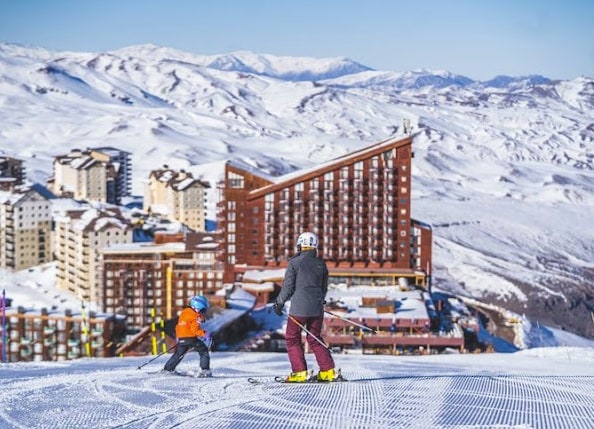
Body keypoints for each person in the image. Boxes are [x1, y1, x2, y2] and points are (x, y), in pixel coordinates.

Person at [273, 231, 336, 382]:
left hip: (299, 309)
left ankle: (300, 372)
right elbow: (323, 287)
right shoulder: (321, 264)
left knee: (292, 337)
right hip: (317, 308)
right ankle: (328, 371)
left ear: (300, 245)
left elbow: (288, 287)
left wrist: (279, 303)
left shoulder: (295, 263)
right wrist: (320, 300)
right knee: (314, 338)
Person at [163, 295, 212, 376]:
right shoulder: (195, 316)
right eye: (202, 310)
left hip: (182, 338)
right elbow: (195, 330)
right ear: (197, 307)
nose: (202, 312)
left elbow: (178, 326)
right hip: (190, 338)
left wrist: (179, 338)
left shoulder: (184, 313)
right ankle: (205, 370)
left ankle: (168, 369)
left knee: (179, 354)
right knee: (203, 350)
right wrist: (205, 334)